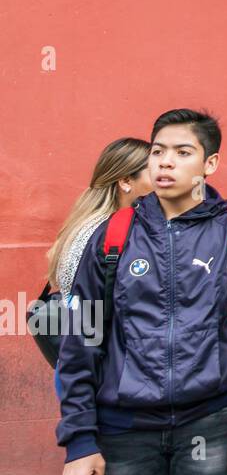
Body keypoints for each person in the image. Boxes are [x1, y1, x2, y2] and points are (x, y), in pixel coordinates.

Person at [57, 109, 227, 475]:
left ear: (210, 163)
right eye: (158, 151)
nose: (166, 162)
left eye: (182, 152)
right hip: (125, 427)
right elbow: (80, 337)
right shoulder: (114, 236)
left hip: (211, 418)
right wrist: (79, 440)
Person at [44, 138, 152, 397]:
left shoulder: (89, 223)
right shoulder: (108, 236)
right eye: (153, 171)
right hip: (99, 372)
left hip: (80, 365)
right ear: (125, 182)